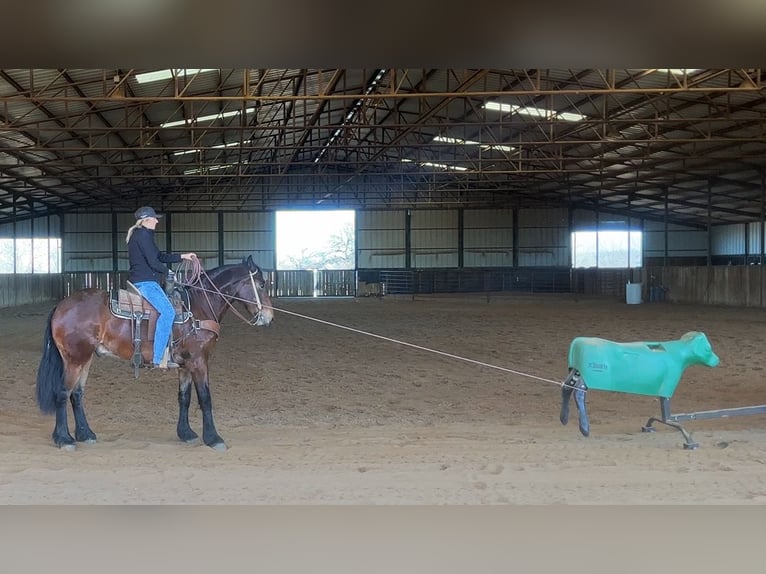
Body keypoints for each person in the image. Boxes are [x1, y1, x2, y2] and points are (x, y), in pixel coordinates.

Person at [126, 206, 197, 369]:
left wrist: (182, 256)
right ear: (146, 220)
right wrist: (168, 272)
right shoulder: (143, 235)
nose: (157, 221)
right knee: (168, 312)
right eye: (154, 218)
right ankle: (158, 358)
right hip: (146, 282)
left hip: (144, 280)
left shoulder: (143, 236)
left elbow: (159, 256)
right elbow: (154, 262)